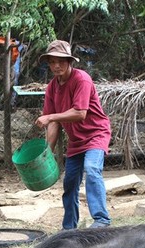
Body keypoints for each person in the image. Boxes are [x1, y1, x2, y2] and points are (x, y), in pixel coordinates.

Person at [35, 40, 112, 230]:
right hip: (76, 141)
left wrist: (50, 116)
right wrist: (47, 153)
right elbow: (52, 124)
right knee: (69, 182)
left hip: (96, 134)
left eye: (61, 61)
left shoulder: (81, 79)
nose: (56, 66)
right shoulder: (52, 88)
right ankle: (69, 227)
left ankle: (101, 220)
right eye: (52, 62)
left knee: (92, 169)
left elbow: (80, 113)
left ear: (70, 62)